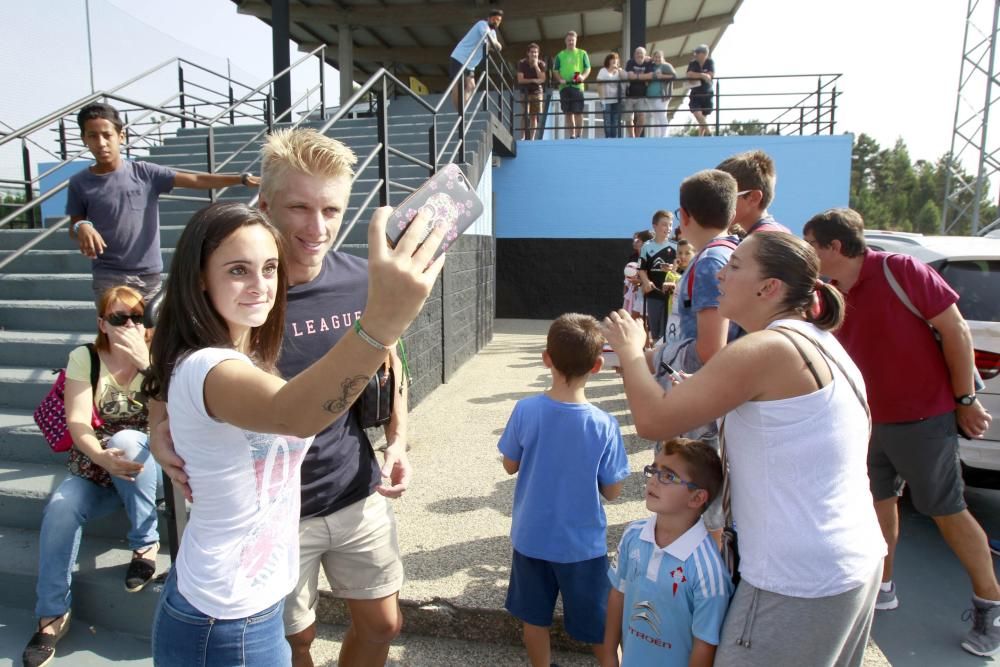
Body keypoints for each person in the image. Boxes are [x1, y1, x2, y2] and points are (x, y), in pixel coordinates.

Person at [151, 129, 415, 667]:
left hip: (351, 487)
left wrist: (398, 439)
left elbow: (390, 363)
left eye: (332, 209)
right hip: (269, 523)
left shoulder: (364, 279)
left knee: (384, 623)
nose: (317, 228)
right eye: (299, 208)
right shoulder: (228, 311)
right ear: (265, 205)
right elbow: (186, 364)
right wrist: (160, 425)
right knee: (295, 638)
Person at [602, 231, 887, 666]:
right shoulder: (816, 342)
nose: (720, 273)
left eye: (735, 266)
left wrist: (630, 351)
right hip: (849, 561)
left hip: (795, 577)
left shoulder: (765, 347)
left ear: (768, 287)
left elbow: (652, 421)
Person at [803, 208, 1000, 657]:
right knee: (877, 504)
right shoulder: (829, 293)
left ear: (834, 247)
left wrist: (965, 400)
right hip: (866, 423)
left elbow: (957, 330)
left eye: (812, 243)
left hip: (923, 421)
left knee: (946, 510)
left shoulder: (901, 270)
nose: (807, 252)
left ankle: (991, 603)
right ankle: (883, 586)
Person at [22, 285, 159, 667]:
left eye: (137, 316)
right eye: (119, 318)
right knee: (62, 506)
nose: (130, 324)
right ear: (103, 323)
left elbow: (181, 408)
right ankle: (51, 616)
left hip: (149, 466)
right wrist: (101, 456)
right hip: (99, 466)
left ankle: (145, 544)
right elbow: (78, 421)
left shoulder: (160, 353)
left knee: (130, 439)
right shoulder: (86, 356)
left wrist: (147, 363)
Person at [498, 313, 630, 667]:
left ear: (546, 358)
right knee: (600, 626)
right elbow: (613, 490)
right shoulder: (604, 424)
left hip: (531, 538)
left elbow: (510, 464)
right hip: (582, 545)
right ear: (598, 365)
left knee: (534, 618)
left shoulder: (525, 411)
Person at [67, 102, 260, 306]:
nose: (101, 142)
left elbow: (195, 180)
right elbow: (74, 224)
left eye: (107, 135)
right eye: (92, 136)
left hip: (149, 276)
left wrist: (240, 179)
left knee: (153, 335)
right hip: (108, 276)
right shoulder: (79, 182)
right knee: (119, 334)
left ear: (121, 136)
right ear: (83, 139)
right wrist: (82, 226)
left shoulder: (145, 173)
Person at [604, 438, 732, 667]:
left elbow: (705, 645)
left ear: (697, 498)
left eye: (668, 476)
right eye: (654, 470)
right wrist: (609, 655)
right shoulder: (633, 535)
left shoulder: (708, 571)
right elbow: (617, 594)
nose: (653, 480)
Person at [716, 150, 790, 234]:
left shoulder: (764, 240)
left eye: (725, 196)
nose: (715, 204)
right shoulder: (773, 234)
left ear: (754, 198)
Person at [449, 10, 504, 112]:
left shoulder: (493, 33)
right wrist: (494, 44)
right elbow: (490, 43)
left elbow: (497, 47)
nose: (496, 22)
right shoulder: (482, 24)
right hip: (460, 57)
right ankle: (459, 113)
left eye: (498, 20)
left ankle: (461, 112)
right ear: (489, 18)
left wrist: (494, 44)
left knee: (471, 86)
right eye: (494, 19)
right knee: (457, 84)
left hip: (470, 64)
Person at [638, 211, 677, 344]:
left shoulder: (675, 246)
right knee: (654, 328)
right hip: (654, 293)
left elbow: (681, 268)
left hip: (671, 295)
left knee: (667, 328)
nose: (668, 228)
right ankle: (655, 354)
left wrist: (672, 269)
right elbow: (642, 269)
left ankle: (665, 357)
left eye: (670, 225)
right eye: (664, 225)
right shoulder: (647, 247)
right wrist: (646, 282)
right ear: (655, 226)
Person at [552, 31, 591, 139]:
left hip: (577, 86)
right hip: (564, 87)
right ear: (565, 41)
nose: (570, 42)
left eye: (572, 40)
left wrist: (582, 77)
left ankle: (579, 135)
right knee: (568, 112)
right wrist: (560, 79)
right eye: (569, 40)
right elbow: (555, 70)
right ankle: (572, 135)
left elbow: (588, 68)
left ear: (576, 41)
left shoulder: (582, 53)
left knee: (578, 111)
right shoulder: (560, 55)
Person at [517, 43, 547, 140]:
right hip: (525, 92)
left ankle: (532, 138)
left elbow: (542, 79)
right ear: (528, 53)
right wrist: (533, 80)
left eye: (536, 52)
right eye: (532, 52)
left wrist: (536, 66)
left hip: (537, 92)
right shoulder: (522, 63)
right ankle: (522, 137)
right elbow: (520, 79)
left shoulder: (541, 64)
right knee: (525, 114)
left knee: (534, 116)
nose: (534, 54)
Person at [644, 50, 676, 138]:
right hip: (650, 95)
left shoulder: (666, 66)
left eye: (659, 57)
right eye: (656, 57)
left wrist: (662, 76)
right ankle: (658, 136)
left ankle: (664, 136)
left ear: (662, 57)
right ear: (653, 57)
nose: (657, 59)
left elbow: (674, 76)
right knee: (655, 116)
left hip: (662, 95)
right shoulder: (651, 66)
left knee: (661, 114)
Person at [623, 46, 653, 138]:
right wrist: (643, 77)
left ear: (645, 55)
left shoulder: (648, 63)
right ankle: (632, 137)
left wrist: (636, 77)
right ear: (634, 54)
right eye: (637, 53)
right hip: (629, 95)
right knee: (628, 118)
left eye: (641, 53)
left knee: (642, 118)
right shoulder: (630, 62)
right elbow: (630, 76)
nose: (639, 55)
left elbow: (650, 76)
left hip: (642, 95)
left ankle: (637, 137)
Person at [686, 45, 715, 136]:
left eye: (698, 53)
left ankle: (700, 137)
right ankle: (709, 132)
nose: (696, 55)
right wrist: (702, 75)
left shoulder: (710, 62)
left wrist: (700, 75)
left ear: (704, 54)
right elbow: (689, 74)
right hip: (695, 92)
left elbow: (711, 75)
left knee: (703, 116)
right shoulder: (693, 63)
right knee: (697, 113)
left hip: (707, 92)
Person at [625, 230, 653, 320]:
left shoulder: (651, 258)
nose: (635, 242)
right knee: (634, 321)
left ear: (645, 243)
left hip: (650, 298)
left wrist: (640, 282)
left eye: (638, 241)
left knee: (645, 324)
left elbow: (655, 281)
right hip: (640, 297)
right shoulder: (640, 258)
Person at [596, 52, 625, 138]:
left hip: (617, 100)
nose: (614, 61)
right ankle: (608, 137)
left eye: (616, 60)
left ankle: (614, 138)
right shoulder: (603, 70)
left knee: (615, 120)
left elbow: (625, 78)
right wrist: (602, 99)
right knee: (607, 120)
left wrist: (619, 70)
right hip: (606, 100)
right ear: (608, 61)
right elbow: (599, 82)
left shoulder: (619, 71)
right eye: (612, 59)